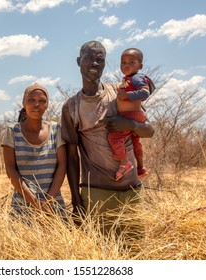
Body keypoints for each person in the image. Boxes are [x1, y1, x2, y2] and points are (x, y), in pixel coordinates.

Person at [61, 41, 154, 235]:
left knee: (136, 252)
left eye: (100, 60)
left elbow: (149, 131)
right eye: (88, 58)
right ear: (79, 62)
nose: (94, 63)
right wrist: (76, 199)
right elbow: (72, 157)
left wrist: (131, 125)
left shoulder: (119, 92)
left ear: (104, 64)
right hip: (96, 193)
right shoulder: (71, 107)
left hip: (132, 191)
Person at [2, 83, 67, 217]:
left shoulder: (56, 130)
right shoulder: (12, 131)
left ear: (47, 105)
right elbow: (10, 170)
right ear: (24, 103)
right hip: (23, 208)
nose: (36, 104)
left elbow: (62, 166)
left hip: (54, 207)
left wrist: (48, 201)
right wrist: (35, 203)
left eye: (41, 101)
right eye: (31, 100)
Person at [108, 48, 155, 181]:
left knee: (114, 137)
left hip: (131, 116)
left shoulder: (137, 78)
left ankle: (124, 163)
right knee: (135, 142)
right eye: (123, 62)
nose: (126, 65)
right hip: (132, 115)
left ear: (140, 66)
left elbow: (145, 92)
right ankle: (141, 168)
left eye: (131, 62)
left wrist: (127, 95)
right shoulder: (128, 79)